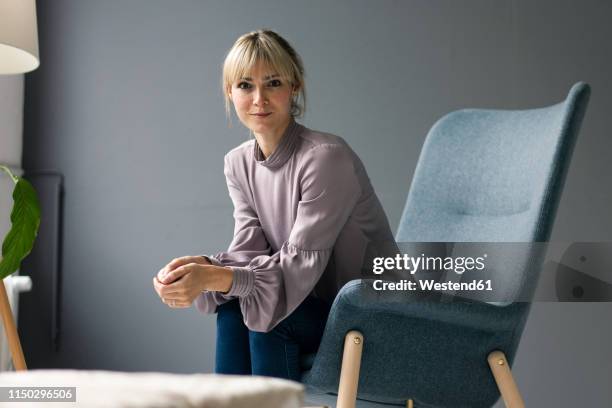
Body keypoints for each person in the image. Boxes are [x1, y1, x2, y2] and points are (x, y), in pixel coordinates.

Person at [152, 29, 395, 381]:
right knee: (235, 311)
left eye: (274, 83)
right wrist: (198, 270)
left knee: (266, 317)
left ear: (294, 86)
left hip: (371, 315)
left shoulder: (326, 158)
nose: (259, 99)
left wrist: (214, 277)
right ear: (229, 92)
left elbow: (297, 269)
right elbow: (249, 252)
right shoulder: (238, 163)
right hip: (309, 306)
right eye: (245, 85)